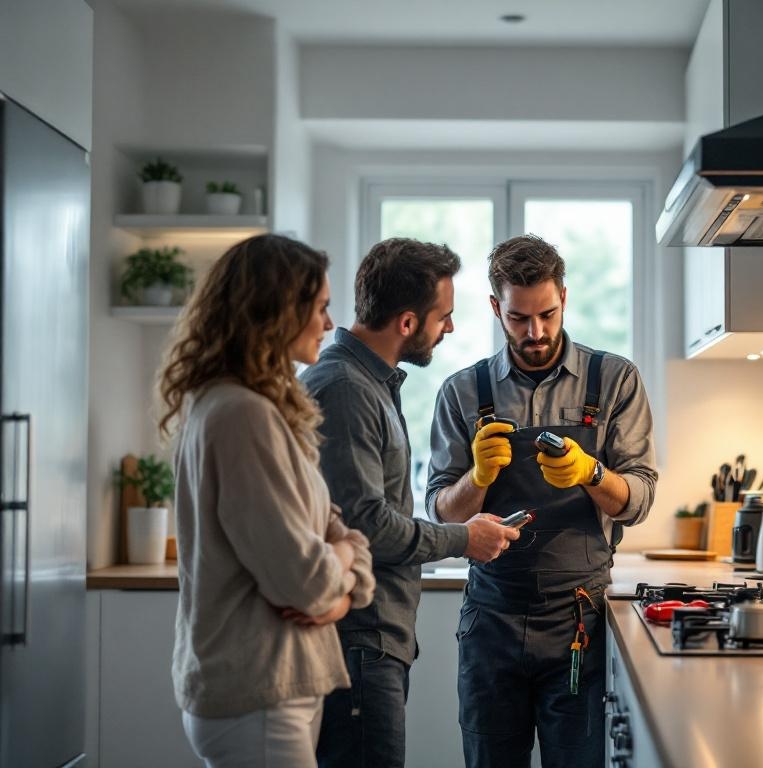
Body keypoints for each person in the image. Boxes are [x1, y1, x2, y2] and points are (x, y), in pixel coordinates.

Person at [427, 234, 658, 768]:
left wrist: (591, 472)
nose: (535, 332)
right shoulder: (462, 392)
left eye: (547, 314)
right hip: (491, 618)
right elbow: (442, 513)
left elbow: (640, 498)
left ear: (564, 298)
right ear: (495, 309)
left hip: (580, 619)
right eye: (518, 318)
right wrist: (478, 478)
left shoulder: (615, 379)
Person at [300, 237, 520, 768]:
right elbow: (369, 527)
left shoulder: (368, 383)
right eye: (442, 317)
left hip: (371, 640)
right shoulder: (347, 389)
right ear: (406, 322)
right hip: (359, 640)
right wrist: (464, 538)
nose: (450, 328)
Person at [159, 234, 376, 768]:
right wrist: (342, 567)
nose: (329, 323)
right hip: (257, 690)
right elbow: (306, 582)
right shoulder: (242, 415)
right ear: (277, 312)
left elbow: (334, 529)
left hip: (270, 686)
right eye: (320, 308)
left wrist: (340, 577)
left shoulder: (250, 407)